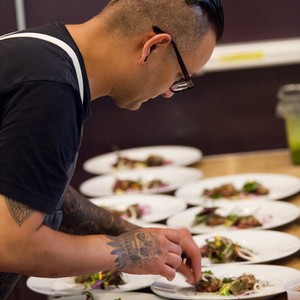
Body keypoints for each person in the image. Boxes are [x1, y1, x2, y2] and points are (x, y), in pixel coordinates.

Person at [0, 0, 224, 298]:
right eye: (180, 77)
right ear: (153, 47)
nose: (170, 93)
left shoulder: (42, 56)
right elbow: (13, 245)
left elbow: (30, 191)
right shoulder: (50, 87)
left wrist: (136, 236)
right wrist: (130, 252)